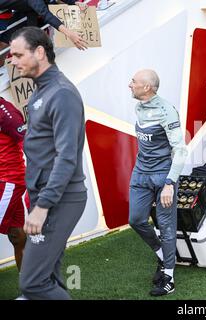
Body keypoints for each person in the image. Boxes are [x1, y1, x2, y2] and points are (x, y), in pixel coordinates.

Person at [10, 26, 87, 300]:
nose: (13, 61)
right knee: (49, 274)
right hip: (46, 195)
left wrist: (42, 207)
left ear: (40, 52)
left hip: (60, 199)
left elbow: (67, 158)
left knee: (31, 283)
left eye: (18, 54)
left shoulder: (62, 93)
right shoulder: (41, 91)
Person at [128, 69, 188, 296]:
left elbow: (180, 150)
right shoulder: (138, 107)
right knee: (135, 219)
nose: (129, 84)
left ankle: (169, 277)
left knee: (166, 226)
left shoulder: (167, 111)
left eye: (134, 81)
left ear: (147, 88)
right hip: (140, 173)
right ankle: (163, 256)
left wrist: (170, 184)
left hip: (163, 176)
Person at [0, 97, 27, 272]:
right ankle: (32, 289)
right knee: (17, 236)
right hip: (6, 183)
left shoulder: (5, 111)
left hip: (8, 182)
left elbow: (28, 142)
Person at [0, 0, 88, 50]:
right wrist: (69, 33)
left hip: (28, 8)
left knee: (32, 36)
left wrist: (74, 3)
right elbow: (46, 14)